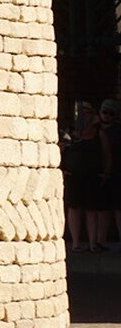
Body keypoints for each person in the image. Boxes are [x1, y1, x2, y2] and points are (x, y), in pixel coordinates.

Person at [63, 101, 107, 252]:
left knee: (91, 210)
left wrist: (106, 172)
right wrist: (62, 169)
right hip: (74, 176)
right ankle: (76, 243)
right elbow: (62, 150)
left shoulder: (98, 133)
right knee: (74, 208)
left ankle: (93, 243)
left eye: (86, 112)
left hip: (93, 176)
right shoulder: (70, 133)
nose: (83, 115)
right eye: (80, 112)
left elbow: (106, 154)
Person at [100, 99, 121, 251]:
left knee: (118, 209)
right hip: (98, 173)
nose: (107, 115)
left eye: (111, 113)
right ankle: (100, 241)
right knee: (102, 209)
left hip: (117, 173)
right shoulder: (93, 130)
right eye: (104, 112)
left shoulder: (118, 131)